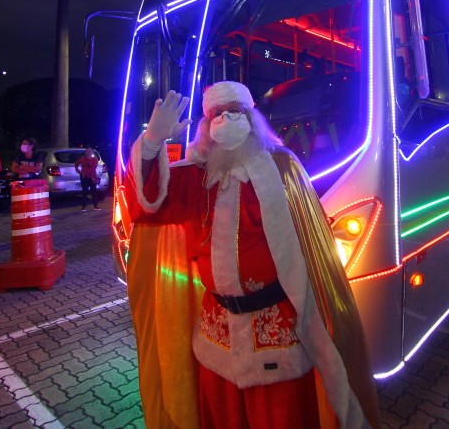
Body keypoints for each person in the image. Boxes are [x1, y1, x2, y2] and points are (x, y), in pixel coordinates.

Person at [123, 82, 380, 429]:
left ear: (252, 118)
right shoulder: (198, 176)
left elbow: (309, 241)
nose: (227, 119)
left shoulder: (282, 167)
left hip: (275, 328)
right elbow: (150, 203)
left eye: (236, 111)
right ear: (206, 125)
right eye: (217, 114)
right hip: (218, 331)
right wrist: (153, 141)